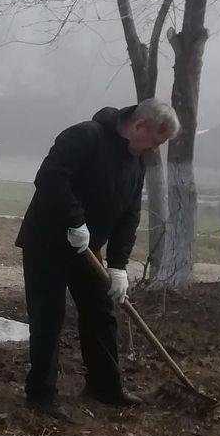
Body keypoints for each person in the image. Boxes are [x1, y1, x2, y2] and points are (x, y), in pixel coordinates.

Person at [15, 98, 179, 418]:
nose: (155, 149)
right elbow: (50, 178)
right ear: (140, 126)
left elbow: (129, 214)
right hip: (48, 242)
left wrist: (119, 266)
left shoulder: (136, 160)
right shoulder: (85, 136)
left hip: (88, 251)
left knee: (101, 313)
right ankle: (41, 395)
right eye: (156, 141)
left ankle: (105, 387)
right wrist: (75, 221)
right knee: (49, 316)